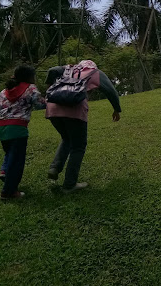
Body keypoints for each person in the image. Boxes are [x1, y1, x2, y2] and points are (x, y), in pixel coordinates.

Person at [45, 60, 121, 192]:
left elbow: (52, 70)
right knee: (78, 146)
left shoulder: (66, 68)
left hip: (53, 108)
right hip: (74, 109)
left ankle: (55, 167)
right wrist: (116, 109)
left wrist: (50, 85)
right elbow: (111, 91)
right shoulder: (95, 72)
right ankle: (69, 184)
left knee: (66, 138)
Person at [0, 64, 46, 199]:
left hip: (1, 127)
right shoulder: (30, 88)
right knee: (17, 160)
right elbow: (40, 104)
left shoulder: (5, 91)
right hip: (18, 127)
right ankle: (9, 192)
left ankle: (5, 172)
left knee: (10, 153)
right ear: (29, 76)